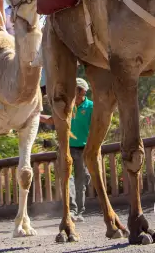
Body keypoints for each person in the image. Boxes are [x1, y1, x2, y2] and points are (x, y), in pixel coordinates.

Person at [68, 78, 93, 222]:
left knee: (81, 181)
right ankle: (71, 210)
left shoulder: (91, 107)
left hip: (84, 150)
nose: (74, 93)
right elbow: (54, 119)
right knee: (68, 180)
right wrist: (36, 116)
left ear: (84, 91)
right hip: (67, 149)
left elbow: (97, 127)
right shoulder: (68, 106)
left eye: (77, 90)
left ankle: (79, 212)